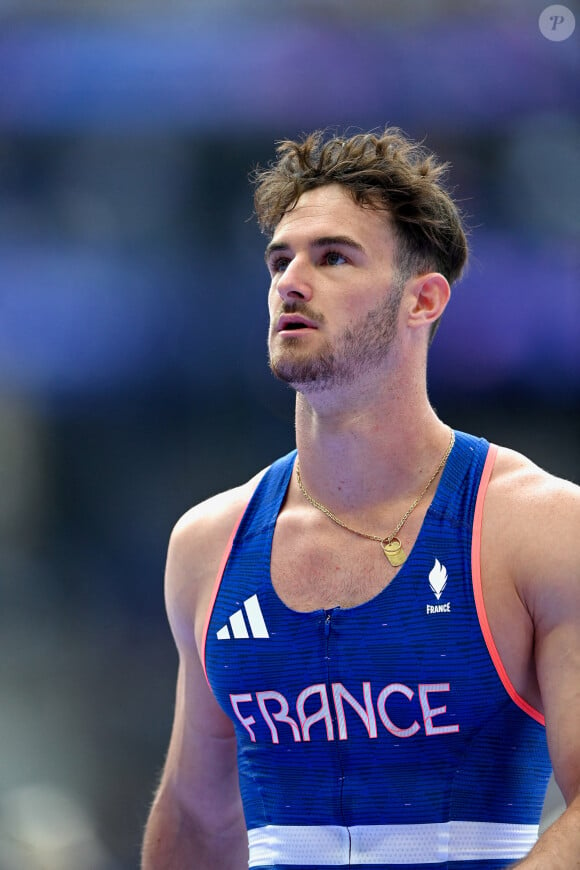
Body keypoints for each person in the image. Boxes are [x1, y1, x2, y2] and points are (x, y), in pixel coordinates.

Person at [141, 128, 580, 869]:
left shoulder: (537, 527)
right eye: (280, 260)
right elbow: (196, 815)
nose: (291, 281)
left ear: (423, 299)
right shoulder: (208, 546)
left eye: (333, 257)